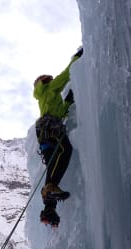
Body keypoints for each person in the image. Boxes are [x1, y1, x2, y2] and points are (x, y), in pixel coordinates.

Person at [33, 47, 83, 227]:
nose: (53, 80)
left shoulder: (49, 98)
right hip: (50, 128)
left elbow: (60, 112)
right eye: (50, 79)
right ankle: (50, 190)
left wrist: (68, 101)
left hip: (47, 132)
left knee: (53, 166)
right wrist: (77, 58)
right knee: (65, 150)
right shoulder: (49, 90)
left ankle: (49, 210)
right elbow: (66, 75)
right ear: (46, 82)